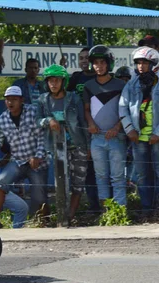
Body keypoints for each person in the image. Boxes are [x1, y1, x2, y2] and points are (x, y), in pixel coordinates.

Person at [0, 86, 48, 228]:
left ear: (21, 100)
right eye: (7, 100)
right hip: (17, 161)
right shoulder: (3, 119)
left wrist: (38, 156)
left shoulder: (33, 112)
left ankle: (42, 223)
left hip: (36, 161)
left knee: (39, 194)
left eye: (14, 99)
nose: (10, 103)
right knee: (0, 183)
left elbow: (42, 137)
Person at [37, 65, 89, 222]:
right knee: (60, 182)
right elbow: (37, 120)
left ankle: (70, 215)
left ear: (63, 81)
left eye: (57, 80)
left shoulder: (73, 98)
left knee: (78, 182)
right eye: (50, 81)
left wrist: (87, 146)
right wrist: (49, 120)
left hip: (77, 145)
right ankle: (62, 215)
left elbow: (83, 122)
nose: (53, 84)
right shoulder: (42, 100)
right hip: (56, 148)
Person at [83, 45, 127, 208]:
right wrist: (91, 123)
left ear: (109, 64)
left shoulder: (120, 85)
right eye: (95, 63)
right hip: (97, 138)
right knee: (100, 176)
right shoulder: (88, 86)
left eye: (102, 62)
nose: (99, 66)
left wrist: (117, 127)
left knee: (117, 177)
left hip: (117, 138)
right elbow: (86, 110)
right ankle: (106, 212)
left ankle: (120, 211)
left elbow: (125, 111)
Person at [119, 46, 159, 215]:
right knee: (142, 176)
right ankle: (146, 209)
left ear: (153, 63)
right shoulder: (131, 84)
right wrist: (129, 130)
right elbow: (122, 107)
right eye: (138, 63)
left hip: (157, 137)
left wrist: (158, 133)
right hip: (138, 138)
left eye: (144, 62)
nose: (141, 66)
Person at [67, 47, 100, 211]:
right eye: (81, 58)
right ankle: (92, 205)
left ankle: (104, 205)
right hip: (80, 130)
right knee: (86, 171)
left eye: (87, 58)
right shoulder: (75, 78)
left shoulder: (99, 76)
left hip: (98, 128)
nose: (84, 61)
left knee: (100, 169)